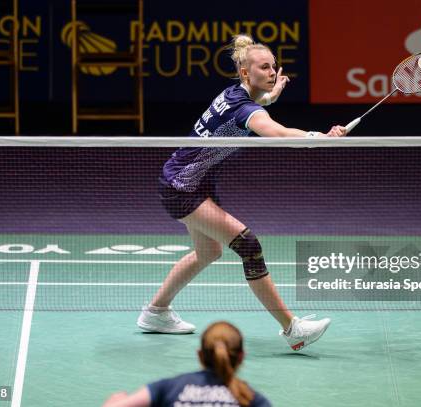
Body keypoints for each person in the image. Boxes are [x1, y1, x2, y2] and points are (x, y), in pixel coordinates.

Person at [137, 34, 347, 351]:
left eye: (274, 66)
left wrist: (272, 95)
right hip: (182, 188)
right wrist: (320, 137)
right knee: (248, 245)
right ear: (246, 72)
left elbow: (258, 104)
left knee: (210, 252)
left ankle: (156, 312)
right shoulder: (242, 108)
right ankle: (292, 328)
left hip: (192, 182)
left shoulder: (234, 94)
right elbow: (276, 132)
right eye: (265, 68)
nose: (273, 72)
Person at [103, 321, 271, 407]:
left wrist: (117, 400)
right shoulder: (250, 398)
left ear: (200, 355)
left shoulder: (169, 388)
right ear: (241, 357)